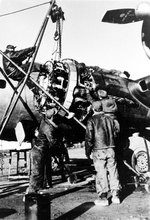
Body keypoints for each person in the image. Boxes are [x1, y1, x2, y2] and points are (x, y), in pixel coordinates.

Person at [85, 101, 121, 206]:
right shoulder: (110, 119)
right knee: (113, 171)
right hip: (111, 148)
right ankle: (116, 195)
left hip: (98, 150)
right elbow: (116, 132)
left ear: (93, 109)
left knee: (101, 173)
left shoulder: (91, 120)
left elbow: (89, 138)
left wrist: (87, 151)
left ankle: (103, 198)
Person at [27, 107, 58, 194]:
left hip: (38, 150)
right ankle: (31, 193)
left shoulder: (43, 121)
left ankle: (36, 191)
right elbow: (52, 141)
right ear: (52, 117)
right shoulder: (48, 128)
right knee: (36, 173)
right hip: (39, 152)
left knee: (39, 173)